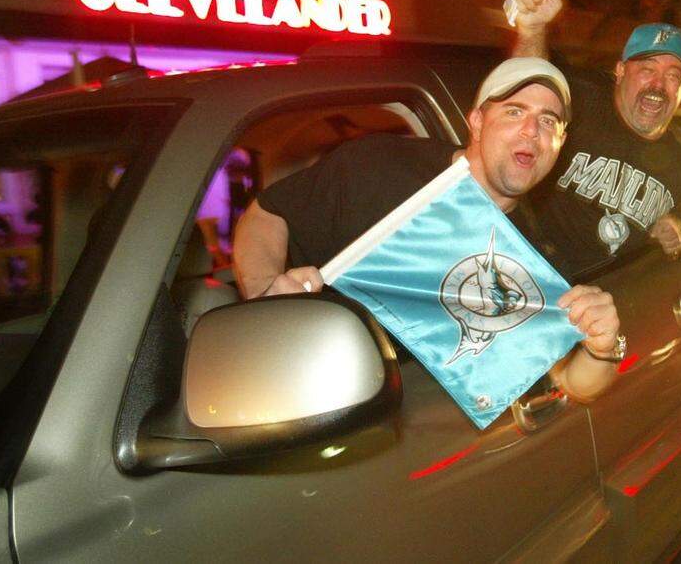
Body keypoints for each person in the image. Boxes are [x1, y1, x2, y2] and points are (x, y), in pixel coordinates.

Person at [234, 57, 624, 401]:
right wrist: (266, 301)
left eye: (548, 120)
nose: (530, 131)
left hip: (418, 440)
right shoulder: (377, 164)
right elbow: (268, 213)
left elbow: (573, 384)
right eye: (513, 111)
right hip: (298, 386)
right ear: (476, 122)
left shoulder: (534, 256)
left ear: (560, 142)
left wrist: (601, 347)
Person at [508, 0, 681, 276]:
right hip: (540, 280)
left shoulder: (678, 161)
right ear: (620, 70)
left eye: (673, 76)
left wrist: (670, 227)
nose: (658, 85)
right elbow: (531, 88)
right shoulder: (580, 101)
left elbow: (671, 221)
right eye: (647, 69)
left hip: (617, 300)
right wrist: (533, 28)